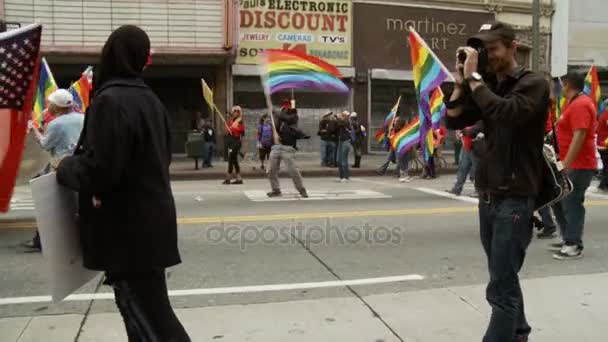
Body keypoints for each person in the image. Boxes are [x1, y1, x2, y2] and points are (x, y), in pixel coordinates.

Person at [55, 25, 190, 341]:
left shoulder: (111, 100)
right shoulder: (150, 100)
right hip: (150, 227)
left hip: (127, 233)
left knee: (147, 318)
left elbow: (101, 170)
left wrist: (65, 167)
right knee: (148, 316)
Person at [445, 22, 549, 342]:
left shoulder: (533, 83)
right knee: (503, 276)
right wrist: (462, 82)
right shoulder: (489, 85)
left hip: (516, 197)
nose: (488, 57)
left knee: (500, 287)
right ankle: (519, 332)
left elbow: (505, 113)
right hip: (489, 196)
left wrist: (476, 80)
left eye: (493, 50)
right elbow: (454, 119)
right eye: (483, 52)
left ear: (512, 47)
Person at [21, 89, 85, 253]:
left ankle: (41, 240)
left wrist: (34, 130)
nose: (48, 105)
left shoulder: (56, 124)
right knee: (77, 205)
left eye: (51, 103)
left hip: (60, 167)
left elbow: (45, 144)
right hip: (81, 166)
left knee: (51, 205)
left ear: (57, 106)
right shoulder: (82, 118)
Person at [549, 72, 598, 260]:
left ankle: (573, 244)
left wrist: (567, 164)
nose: (559, 88)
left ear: (567, 84)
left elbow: (580, 135)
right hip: (570, 163)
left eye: (560, 84)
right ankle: (567, 237)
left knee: (572, 204)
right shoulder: (574, 103)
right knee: (559, 201)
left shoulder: (580, 104)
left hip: (579, 165)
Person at [267, 106, 309, 198]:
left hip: (288, 148)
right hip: (276, 146)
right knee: (271, 170)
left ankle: (301, 189)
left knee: (293, 170)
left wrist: (275, 111)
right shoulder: (279, 118)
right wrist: (272, 116)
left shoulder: (293, 117)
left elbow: (287, 118)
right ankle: (276, 190)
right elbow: (275, 126)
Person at [447, 121, 482, 195]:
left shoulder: (478, 118)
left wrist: (465, 131)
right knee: (463, 167)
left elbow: (477, 129)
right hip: (466, 144)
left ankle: (478, 190)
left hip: (475, 145)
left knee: (476, 169)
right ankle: (457, 188)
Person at [223, 106, 245, 185]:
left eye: (236, 111)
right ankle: (238, 178)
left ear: (239, 113)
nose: (234, 113)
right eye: (234, 111)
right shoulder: (231, 121)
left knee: (231, 158)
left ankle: (228, 177)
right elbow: (227, 132)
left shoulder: (240, 121)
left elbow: (242, 133)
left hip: (236, 142)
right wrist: (227, 128)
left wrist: (234, 129)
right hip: (231, 141)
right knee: (234, 159)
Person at [336, 111, 353, 183]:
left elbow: (341, 123)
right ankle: (341, 176)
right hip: (341, 141)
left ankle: (345, 177)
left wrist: (338, 118)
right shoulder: (342, 121)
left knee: (343, 160)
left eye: (344, 115)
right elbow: (338, 125)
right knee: (339, 160)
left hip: (346, 141)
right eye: (342, 115)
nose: (342, 116)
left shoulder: (347, 122)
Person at [597, 100, 608, 192]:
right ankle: (602, 185)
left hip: (601, 145)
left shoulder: (603, 115)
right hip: (605, 145)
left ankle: (605, 186)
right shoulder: (607, 116)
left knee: (606, 166)